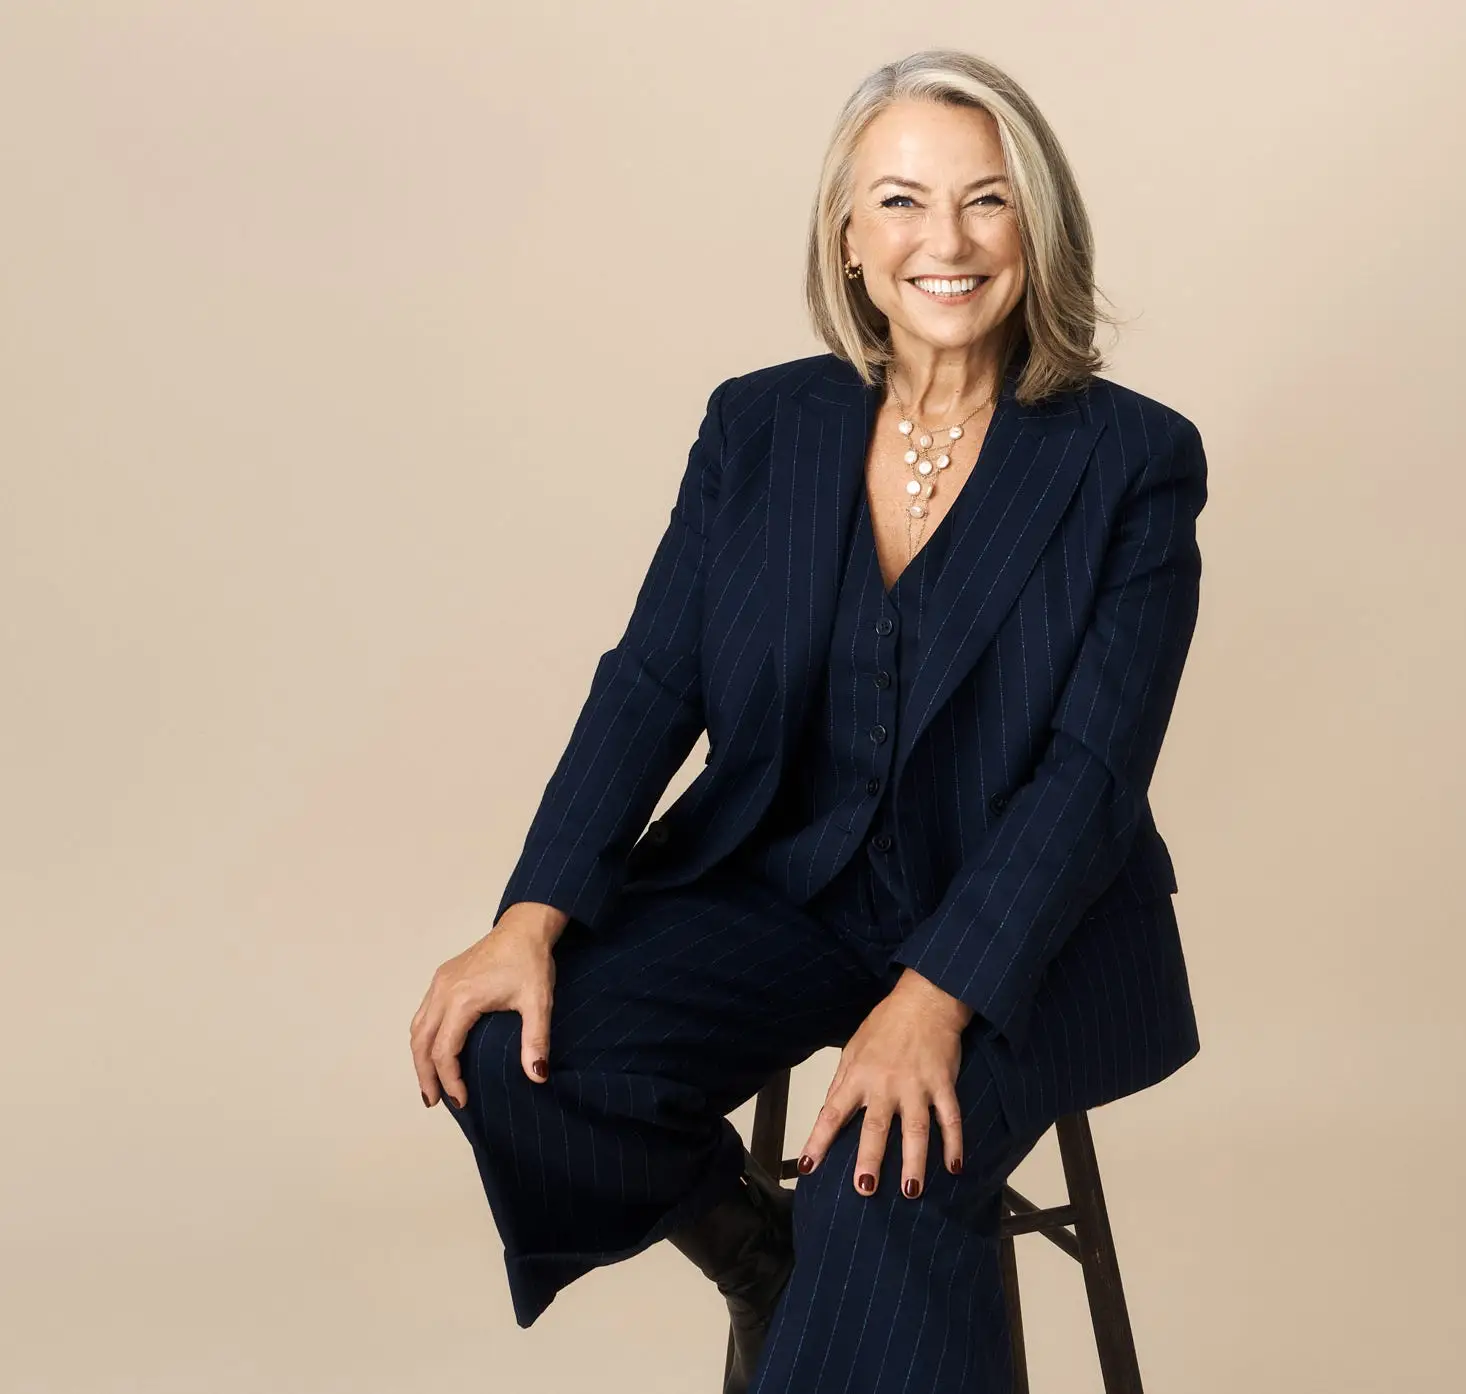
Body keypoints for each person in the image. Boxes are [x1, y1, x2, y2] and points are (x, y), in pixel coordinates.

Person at [408, 48, 1208, 1394]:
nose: (941, 242)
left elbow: (1087, 772)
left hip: (1030, 935)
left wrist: (936, 996)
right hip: (785, 891)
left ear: (1038, 223)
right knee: (511, 1046)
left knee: (885, 1183)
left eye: (985, 201)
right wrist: (530, 912)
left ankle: (828, 1274)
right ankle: (758, 1259)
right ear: (845, 236)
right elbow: (651, 679)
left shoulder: (1130, 457)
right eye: (898, 201)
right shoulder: (758, 425)